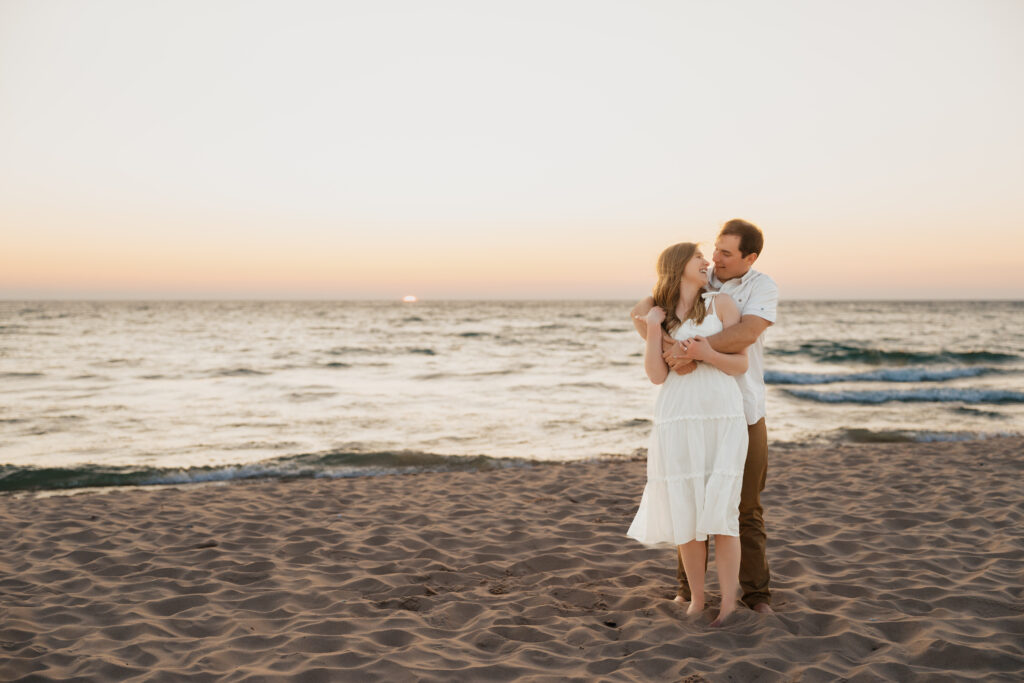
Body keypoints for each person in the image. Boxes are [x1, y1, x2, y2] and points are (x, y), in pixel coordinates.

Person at [630, 219, 778, 614]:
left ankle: (755, 596)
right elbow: (641, 309)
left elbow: (745, 336)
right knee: (689, 499)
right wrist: (667, 346)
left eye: (726, 254)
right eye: (713, 250)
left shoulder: (760, 288)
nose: (715, 259)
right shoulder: (702, 277)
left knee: (742, 506)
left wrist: (693, 350)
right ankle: (689, 591)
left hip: (742, 407)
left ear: (750, 257)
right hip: (688, 411)